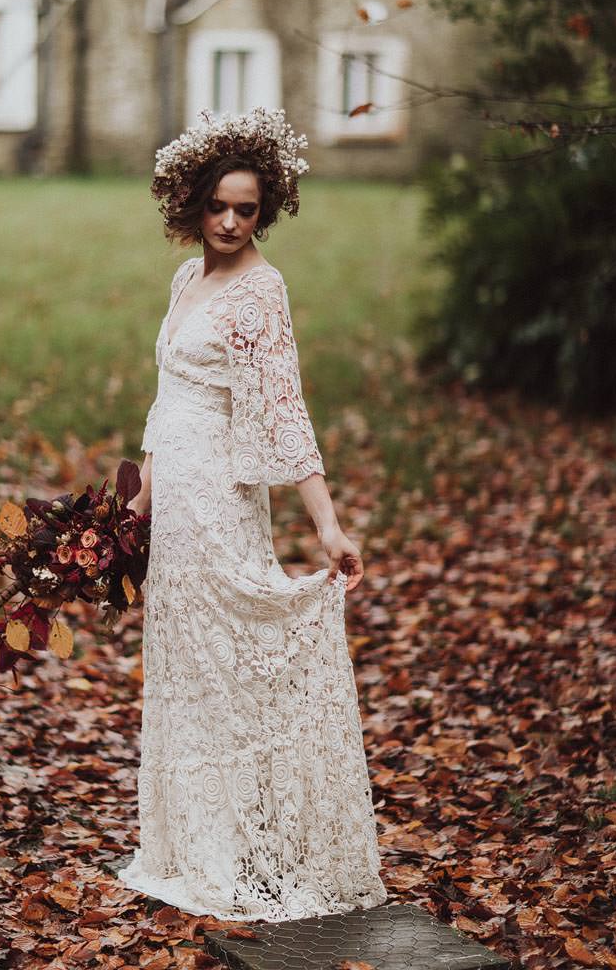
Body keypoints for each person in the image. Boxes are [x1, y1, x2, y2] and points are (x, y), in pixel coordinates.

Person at [116, 108, 387, 922]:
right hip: (176, 502)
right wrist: (135, 504)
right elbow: (167, 399)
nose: (232, 223)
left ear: (265, 212)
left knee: (231, 670)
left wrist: (327, 526)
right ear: (191, 203)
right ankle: (191, 843)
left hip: (224, 502)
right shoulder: (184, 280)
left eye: (247, 209)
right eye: (219, 206)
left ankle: (248, 846)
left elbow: (284, 411)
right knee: (186, 670)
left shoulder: (262, 292)